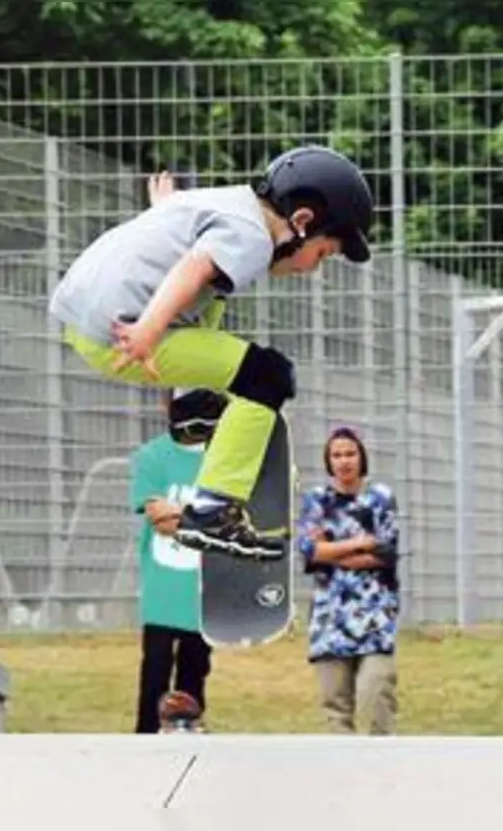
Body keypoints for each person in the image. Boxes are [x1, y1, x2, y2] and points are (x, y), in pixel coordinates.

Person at [47, 145, 375, 562]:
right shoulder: (254, 236)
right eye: (323, 253)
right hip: (126, 334)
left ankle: (193, 408)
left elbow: (179, 242)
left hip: (84, 316)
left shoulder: (217, 202)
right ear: (303, 221)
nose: (312, 268)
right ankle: (215, 509)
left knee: (216, 296)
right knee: (268, 377)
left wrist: (164, 209)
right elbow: (192, 269)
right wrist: (148, 329)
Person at [129, 387, 229, 734]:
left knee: (195, 672)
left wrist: (184, 517)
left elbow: (229, 519)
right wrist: (204, 518)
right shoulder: (153, 456)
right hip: (163, 586)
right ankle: (145, 739)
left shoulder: (222, 459)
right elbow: (159, 517)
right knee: (154, 670)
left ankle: (187, 739)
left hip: (202, 589)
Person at [297, 426, 402, 735]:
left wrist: (331, 551)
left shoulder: (380, 499)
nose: (344, 461)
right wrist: (360, 543)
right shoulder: (317, 501)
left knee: (377, 699)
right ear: (329, 460)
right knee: (336, 711)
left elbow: (385, 553)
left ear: (361, 457)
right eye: (337, 455)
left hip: (375, 617)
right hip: (331, 620)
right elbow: (309, 551)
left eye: (350, 454)